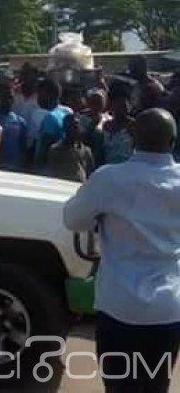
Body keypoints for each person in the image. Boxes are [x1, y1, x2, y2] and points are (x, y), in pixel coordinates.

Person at [64, 108, 180, 393]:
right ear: (173, 141)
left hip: (118, 307)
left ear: (132, 139)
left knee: (119, 387)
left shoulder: (109, 179)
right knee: (155, 386)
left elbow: (73, 219)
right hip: (167, 309)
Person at [32, 79, 70, 173]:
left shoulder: (50, 118)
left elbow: (44, 150)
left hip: (47, 170)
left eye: (41, 95)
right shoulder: (63, 114)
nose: (38, 99)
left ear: (51, 95)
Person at [44, 114, 94, 182]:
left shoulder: (86, 151)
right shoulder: (55, 150)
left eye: (76, 127)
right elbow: (50, 172)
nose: (73, 130)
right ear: (65, 128)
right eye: (70, 127)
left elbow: (90, 173)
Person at [95, 81, 135, 167]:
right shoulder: (105, 126)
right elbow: (100, 153)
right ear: (112, 106)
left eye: (125, 106)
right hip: (107, 170)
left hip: (128, 169)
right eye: (119, 105)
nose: (124, 108)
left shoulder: (134, 126)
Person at [0, 83, 29, 172]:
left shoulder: (20, 122)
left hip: (15, 169)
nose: (8, 101)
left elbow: (24, 149)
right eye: (4, 97)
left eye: (10, 97)